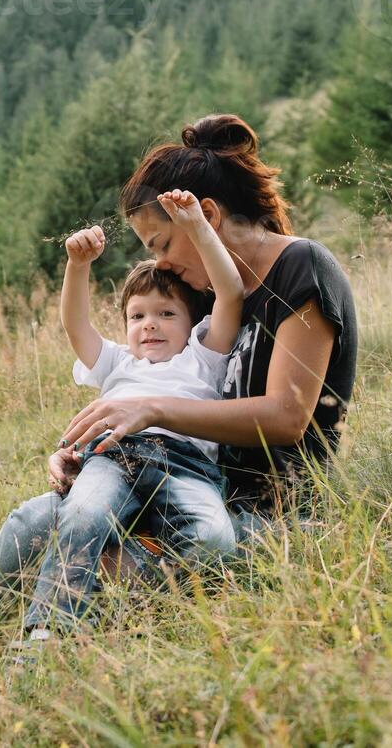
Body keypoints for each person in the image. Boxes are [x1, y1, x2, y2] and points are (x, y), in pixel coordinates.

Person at [0, 188, 245, 641]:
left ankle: (130, 599)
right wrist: (78, 267)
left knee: (215, 540)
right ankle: (49, 632)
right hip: (115, 456)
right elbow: (76, 324)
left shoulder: (202, 356)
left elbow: (229, 291)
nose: (149, 324)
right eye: (136, 317)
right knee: (84, 514)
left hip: (185, 466)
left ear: (192, 323)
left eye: (166, 313)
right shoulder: (117, 362)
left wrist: (196, 227)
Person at [59, 112, 358, 538]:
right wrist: (84, 456)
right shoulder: (206, 297)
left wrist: (152, 410)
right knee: (51, 521)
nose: (159, 263)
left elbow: (288, 417)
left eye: (161, 244)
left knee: (106, 563)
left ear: (207, 217)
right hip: (188, 491)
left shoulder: (301, 268)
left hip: (269, 519)